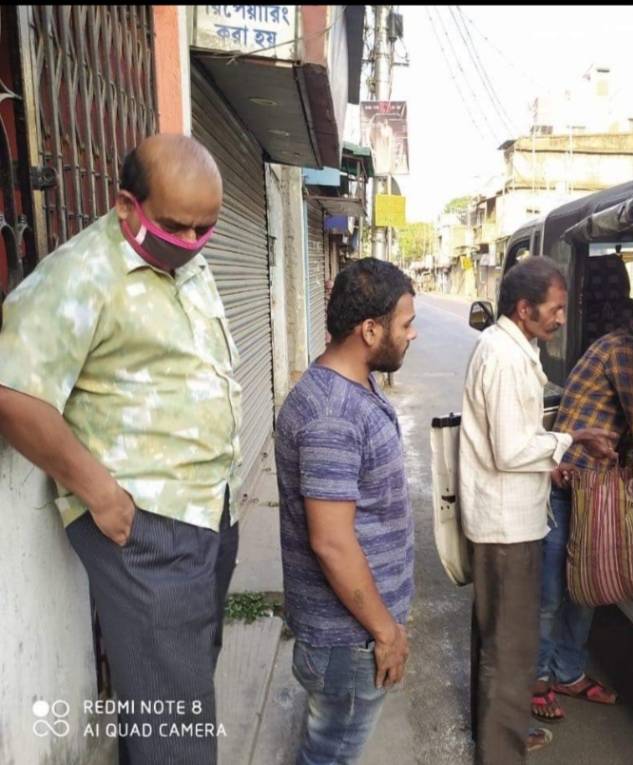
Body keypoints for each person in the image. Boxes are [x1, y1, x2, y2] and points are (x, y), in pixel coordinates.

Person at [0, 134, 241, 763]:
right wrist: (98, 491)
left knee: (177, 696)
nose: (190, 242)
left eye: (204, 228)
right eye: (175, 226)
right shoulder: (82, 273)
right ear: (126, 205)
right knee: (177, 734)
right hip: (147, 527)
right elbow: (12, 391)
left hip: (208, 511)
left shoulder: (187, 260)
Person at [459, 255, 617, 762]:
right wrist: (571, 440)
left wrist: (549, 457)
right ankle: (500, 748)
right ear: (524, 308)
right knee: (509, 645)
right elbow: (508, 450)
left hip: (513, 516)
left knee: (503, 639)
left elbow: (512, 440)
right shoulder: (503, 356)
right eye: (555, 308)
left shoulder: (512, 347)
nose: (562, 317)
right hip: (505, 527)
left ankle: (499, 731)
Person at [275, 258, 417, 765]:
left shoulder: (353, 387)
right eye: (405, 324)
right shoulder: (333, 415)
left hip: (351, 634)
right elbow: (331, 542)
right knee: (328, 756)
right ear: (370, 329)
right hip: (349, 640)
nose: (412, 335)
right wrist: (385, 632)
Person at [532, 298, 633, 723]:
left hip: (594, 487)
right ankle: (538, 679)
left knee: (585, 589)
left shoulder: (628, 348)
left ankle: (568, 672)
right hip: (570, 481)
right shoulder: (626, 350)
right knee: (551, 594)